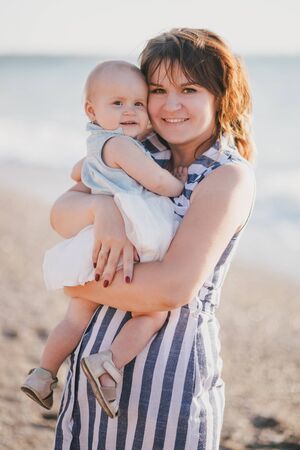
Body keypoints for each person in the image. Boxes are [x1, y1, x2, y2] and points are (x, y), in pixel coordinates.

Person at [51, 28, 255, 449]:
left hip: (169, 376)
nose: (171, 104)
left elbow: (171, 289)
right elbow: (60, 214)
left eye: (190, 88)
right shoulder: (136, 149)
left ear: (222, 97)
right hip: (92, 357)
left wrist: (73, 282)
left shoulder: (226, 176)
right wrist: (101, 210)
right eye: (158, 89)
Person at [21, 61, 188, 417]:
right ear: (91, 110)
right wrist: (178, 183)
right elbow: (158, 183)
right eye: (118, 103)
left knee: (74, 319)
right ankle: (108, 363)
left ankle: (43, 374)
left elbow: (75, 172)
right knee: (153, 313)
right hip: (132, 235)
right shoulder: (124, 147)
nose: (130, 110)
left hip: (93, 244)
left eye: (138, 104)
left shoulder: (95, 145)